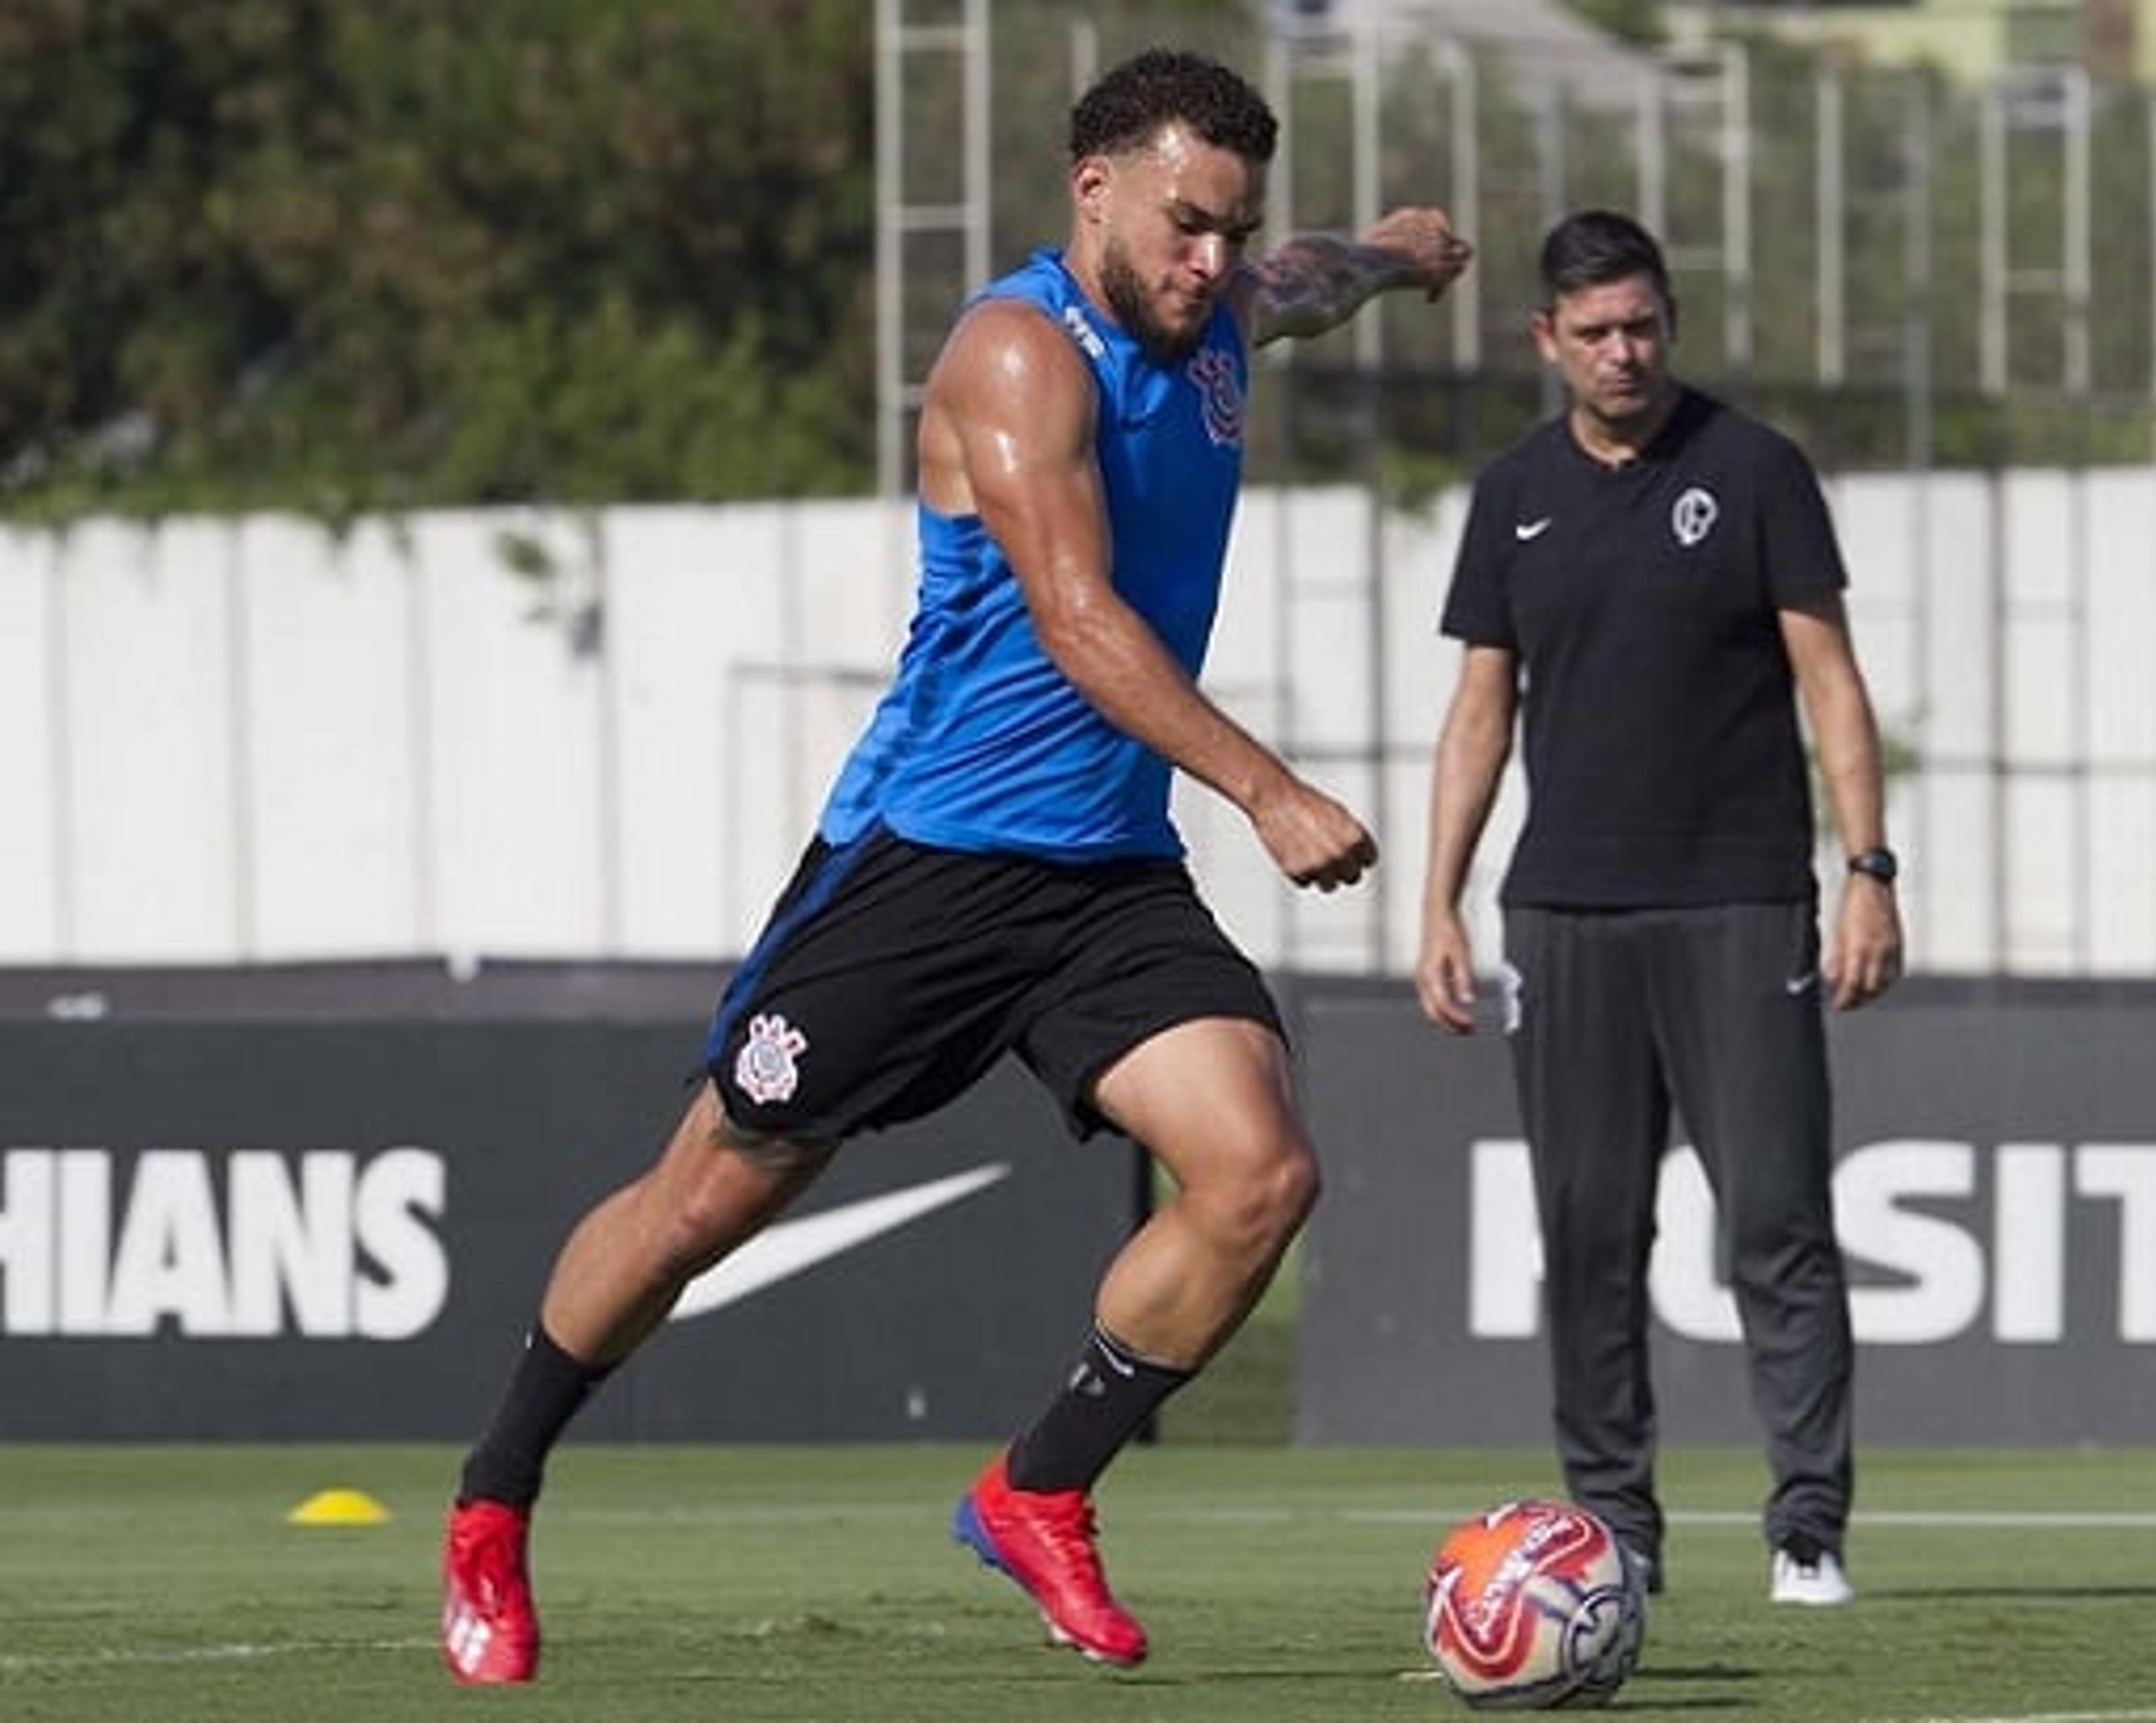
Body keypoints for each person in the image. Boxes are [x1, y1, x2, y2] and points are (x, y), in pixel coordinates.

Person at [439, 47, 1471, 1684]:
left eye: (1232, 230)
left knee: (1261, 1173)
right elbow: (1075, 622)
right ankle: (494, 1501)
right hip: (925, 865)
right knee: (709, 1196)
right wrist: (1267, 792)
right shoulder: (1015, 354)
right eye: (1186, 225)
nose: (1211, 262)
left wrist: (1400, 255)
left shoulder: (1218, 320)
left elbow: (1304, 281)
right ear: (1097, 188)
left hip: (1105, 879)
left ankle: (1037, 1487)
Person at [1412, 209, 1899, 1610]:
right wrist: (1440, 899)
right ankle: (1613, 1525)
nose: (1625, 352)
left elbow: (1833, 685)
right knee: (1587, 1233)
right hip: (1563, 915)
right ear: (1546, 341)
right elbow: (1479, 711)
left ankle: (1808, 1522)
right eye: (1596, 332)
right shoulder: (1512, 494)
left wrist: (1868, 868)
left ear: (1669, 321)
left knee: (1776, 1222)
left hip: (1740, 902)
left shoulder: (1753, 471)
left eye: (1644, 325)